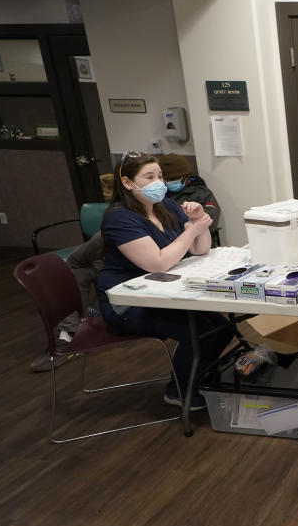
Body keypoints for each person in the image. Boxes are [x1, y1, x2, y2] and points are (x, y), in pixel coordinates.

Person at [97, 152, 234, 410]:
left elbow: (200, 249)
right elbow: (158, 263)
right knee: (201, 333)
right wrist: (191, 231)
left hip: (165, 292)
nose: (158, 182)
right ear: (127, 183)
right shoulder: (120, 217)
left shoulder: (167, 207)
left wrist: (197, 222)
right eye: (149, 177)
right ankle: (179, 392)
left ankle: (197, 380)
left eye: (159, 176)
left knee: (222, 329)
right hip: (129, 302)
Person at [29, 231, 104, 372]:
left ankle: (92, 317)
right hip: (110, 270)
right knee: (78, 270)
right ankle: (69, 334)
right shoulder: (106, 234)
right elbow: (74, 261)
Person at [158, 153, 222, 239]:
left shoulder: (201, 193)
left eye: (175, 178)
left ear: (186, 177)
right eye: (168, 179)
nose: (171, 182)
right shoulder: (159, 195)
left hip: (199, 241)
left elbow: (210, 222)